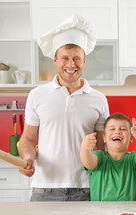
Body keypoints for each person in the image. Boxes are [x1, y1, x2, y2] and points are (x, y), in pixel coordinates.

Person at [18, 14, 110, 201]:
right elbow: (28, 138)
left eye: (77, 58)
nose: (71, 64)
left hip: (87, 187)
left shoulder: (99, 99)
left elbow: (102, 145)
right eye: (65, 58)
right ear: (55, 60)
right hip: (45, 188)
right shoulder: (37, 95)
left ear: (84, 62)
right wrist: (27, 157)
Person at [80, 113, 136, 201]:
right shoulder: (100, 157)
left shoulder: (132, 159)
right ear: (104, 138)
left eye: (123, 129)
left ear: (131, 138)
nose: (117, 132)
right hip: (101, 213)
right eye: (112, 129)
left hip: (129, 212)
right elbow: (88, 163)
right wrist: (85, 148)